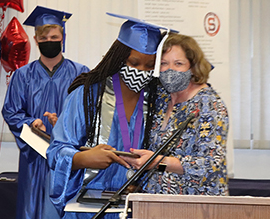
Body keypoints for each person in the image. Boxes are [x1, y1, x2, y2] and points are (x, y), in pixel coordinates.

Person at [46, 13, 174, 218]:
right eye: (134, 62)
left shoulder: (158, 102)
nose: (141, 71)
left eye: (149, 66)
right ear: (119, 58)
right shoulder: (87, 95)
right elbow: (56, 151)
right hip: (88, 211)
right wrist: (82, 158)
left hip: (136, 209)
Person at [2, 6, 90, 219]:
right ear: (36, 39)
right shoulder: (22, 76)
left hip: (69, 157)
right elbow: (11, 112)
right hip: (34, 157)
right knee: (33, 209)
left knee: (67, 208)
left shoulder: (81, 73)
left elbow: (89, 114)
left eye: (54, 36)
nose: (49, 41)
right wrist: (32, 122)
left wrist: (64, 123)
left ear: (63, 37)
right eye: (44, 37)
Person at [123, 33, 229, 196]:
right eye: (164, 63)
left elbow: (210, 166)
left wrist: (157, 162)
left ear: (192, 67)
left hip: (197, 205)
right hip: (155, 202)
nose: (170, 70)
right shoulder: (161, 98)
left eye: (178, 63)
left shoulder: (209, 105)